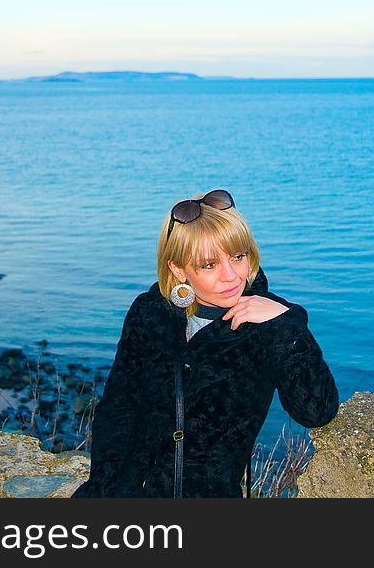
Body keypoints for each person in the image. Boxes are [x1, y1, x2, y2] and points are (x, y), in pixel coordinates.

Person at [72, 189, 338, 498]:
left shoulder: (270, 323)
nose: (230, 276)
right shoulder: (148, 312)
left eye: (238, 257)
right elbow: (117, 410)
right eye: (209, 265)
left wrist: (286, 322)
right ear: (178, 269)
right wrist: (103, 489)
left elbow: (316, 411)